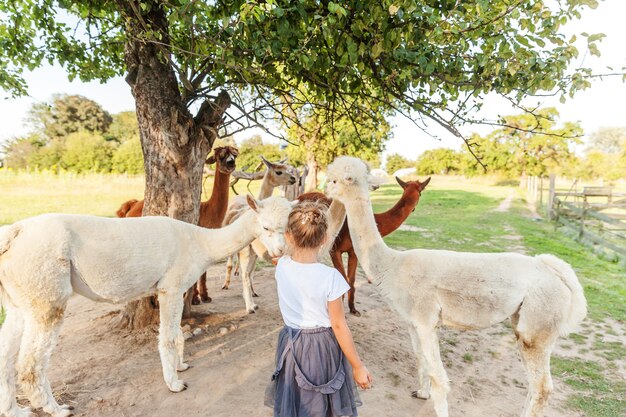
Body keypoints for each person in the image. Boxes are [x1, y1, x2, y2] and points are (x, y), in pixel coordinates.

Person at [265, 201, 373, 417]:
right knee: (320, 403)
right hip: (321, 348)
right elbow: (339, 325)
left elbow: (278, 260)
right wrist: (357, 366)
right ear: (324, 239)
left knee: (298, 400)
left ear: (288, 236)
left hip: (291, 343)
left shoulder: (283, 266)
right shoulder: (331, 278)